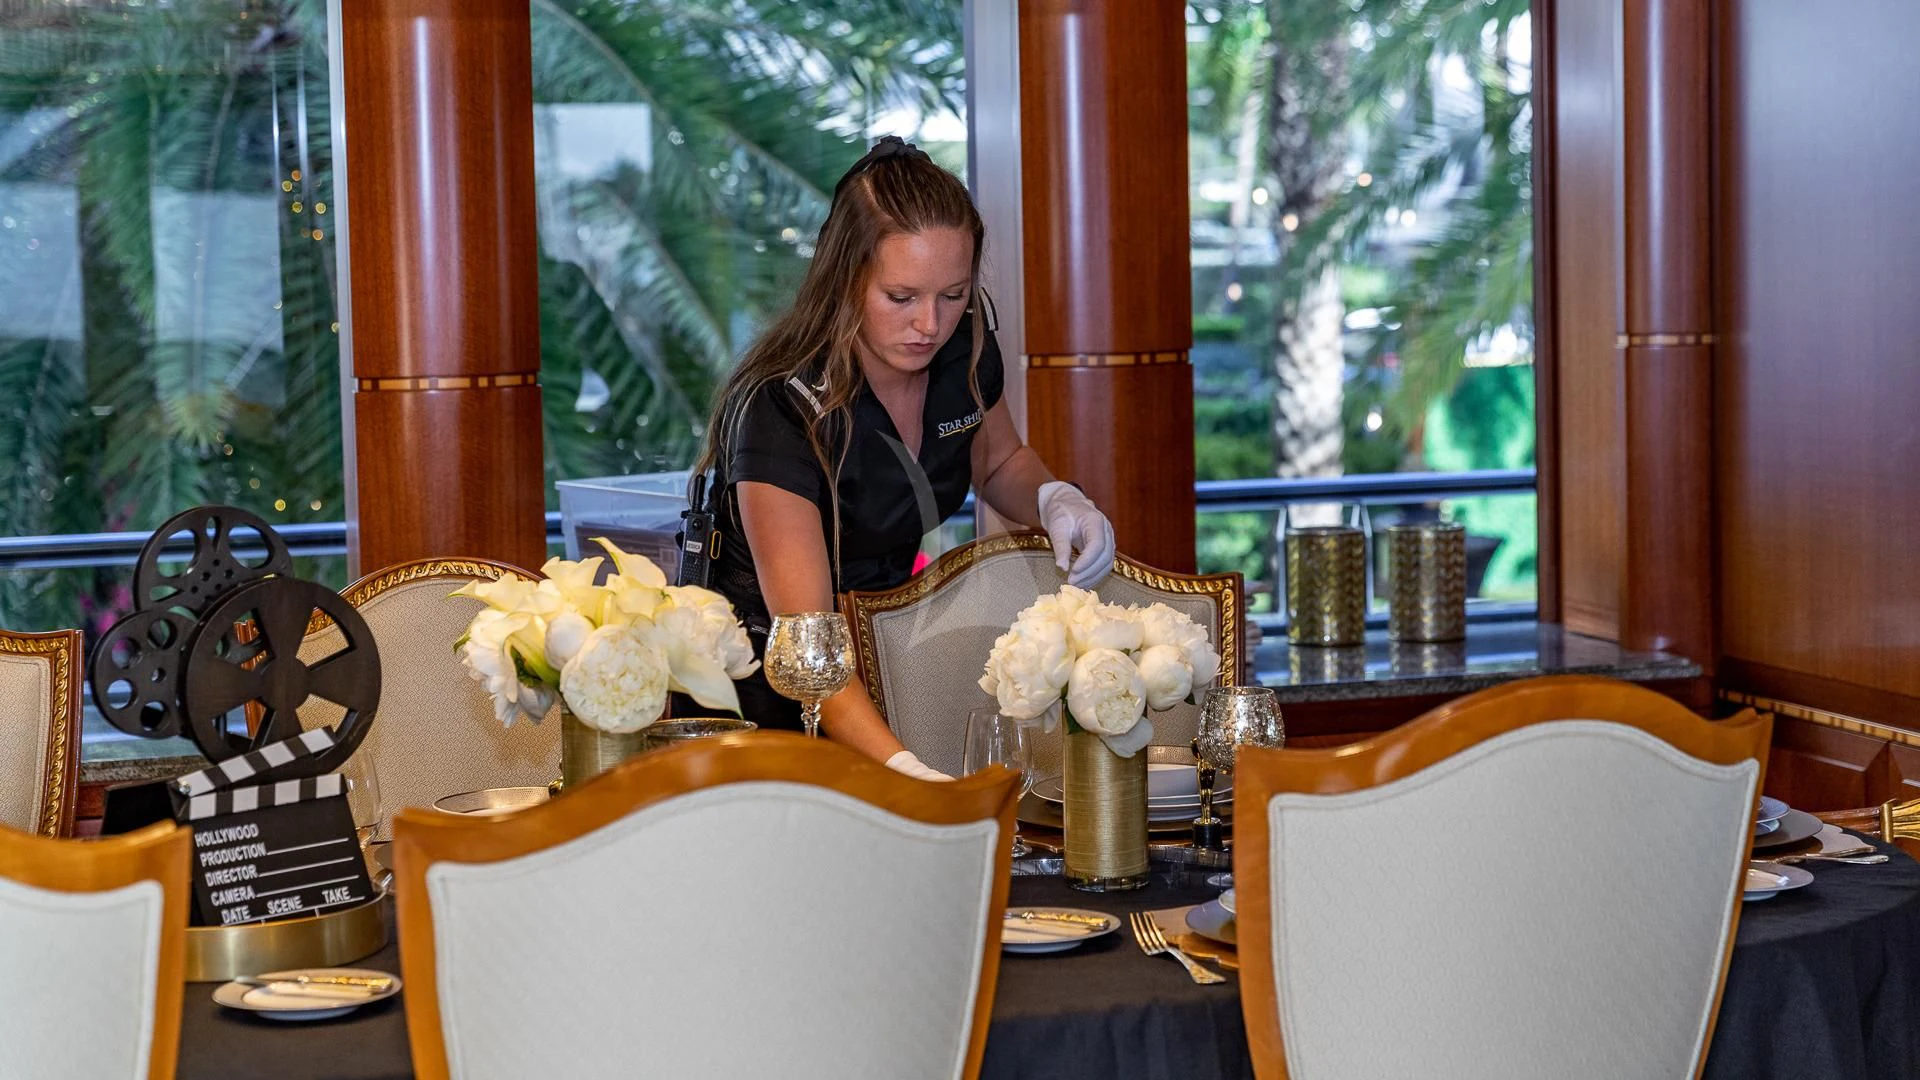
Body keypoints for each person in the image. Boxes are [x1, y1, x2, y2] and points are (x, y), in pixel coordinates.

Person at [685, 136, 1115, 779]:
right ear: (846, 280)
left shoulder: (962, 352)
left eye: (953, 294)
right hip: (768, 703)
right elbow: (809, 652)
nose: (930, 324)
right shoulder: (781, 409)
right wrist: (905, 773)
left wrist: (1057, 498)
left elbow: (997, 461)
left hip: (892, 661)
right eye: (902, 296)